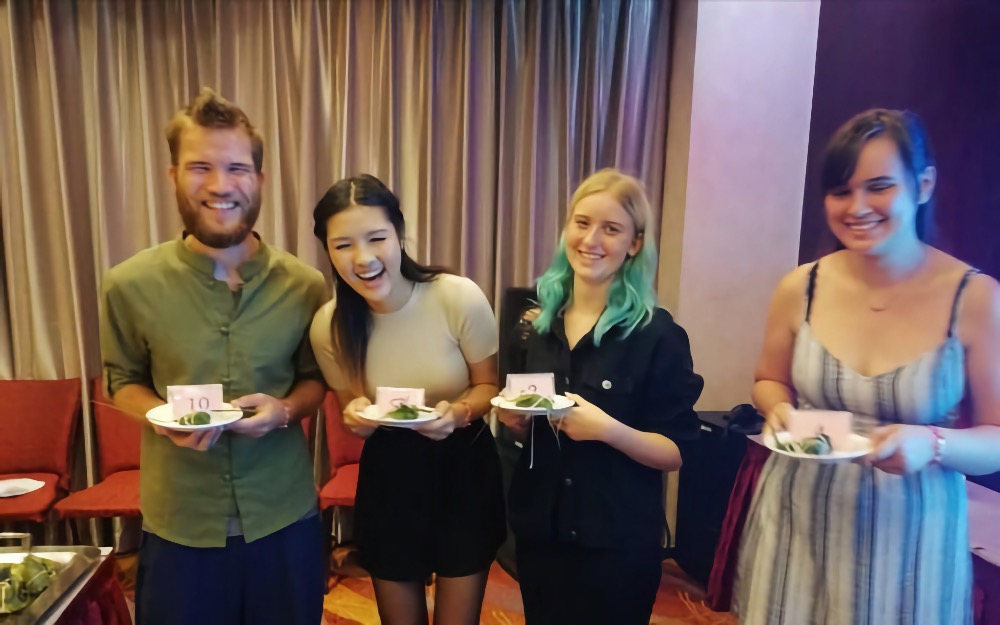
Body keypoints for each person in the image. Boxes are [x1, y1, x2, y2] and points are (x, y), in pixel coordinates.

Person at [734, 109, 1000, 625]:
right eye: (840, 190)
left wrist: (934, 443)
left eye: (878, 187)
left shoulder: (974, 299)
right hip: (799, 521)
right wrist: (781, 410)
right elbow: (769, 381)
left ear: (923, 185)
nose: (857, 207)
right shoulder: (800, 288)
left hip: (913, 543)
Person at [100, 88, 328, 625]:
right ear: (173, 174)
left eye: (236, 168)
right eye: (200, 166)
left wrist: (287, 410)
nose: (220, 185)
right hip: (179, 524)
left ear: (260, 179)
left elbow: (315, 381)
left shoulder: (305, 285)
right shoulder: (128, 285)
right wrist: (160, 418)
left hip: (284, 521)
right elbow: (120, 380)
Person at [496, 168, 704, 625]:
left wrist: (609, 431)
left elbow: (677, 451)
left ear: (634, 243)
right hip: (540, 535)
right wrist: (513, 422)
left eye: (611, 229)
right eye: (582, 222)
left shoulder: (659, 335)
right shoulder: (532, 325)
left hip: (618, 544)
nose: (591, 239)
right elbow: (513, 407)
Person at [309, 174, 506, 625]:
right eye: (342, 245)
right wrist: (355, 414)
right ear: (328, 251)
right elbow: (352, 407)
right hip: (391, 475)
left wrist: (458, 413)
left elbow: (488, 387)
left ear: (398, 234)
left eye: (376, 238)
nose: (363, 258)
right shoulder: (330, 325)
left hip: (465, 468)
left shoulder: (457, 297)